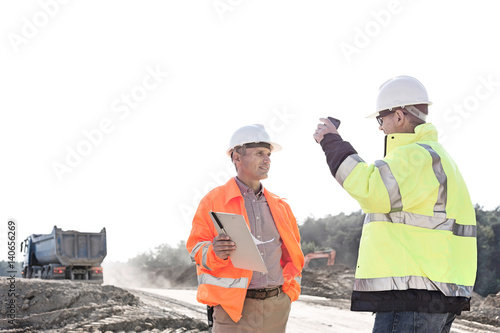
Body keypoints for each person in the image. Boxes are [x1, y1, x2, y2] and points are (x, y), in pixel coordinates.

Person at [313, 76, 477, 333]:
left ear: (399, 116)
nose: (380, 127)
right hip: (437, 292)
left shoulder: (415, 156)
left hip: (413, 296)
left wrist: (332, 143)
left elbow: (369, 188)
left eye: (381, 119)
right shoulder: (439, 156)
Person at [187, 124, 304, 333]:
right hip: (233, 310)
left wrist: (288, 294)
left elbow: (293, 256)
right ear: (236, 158)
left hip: (276, 307)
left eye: (268, 154)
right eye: (259, 153)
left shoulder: (281, 206)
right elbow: (195, 248)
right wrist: (214, 251)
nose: (267, 159)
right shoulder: (213, 200)